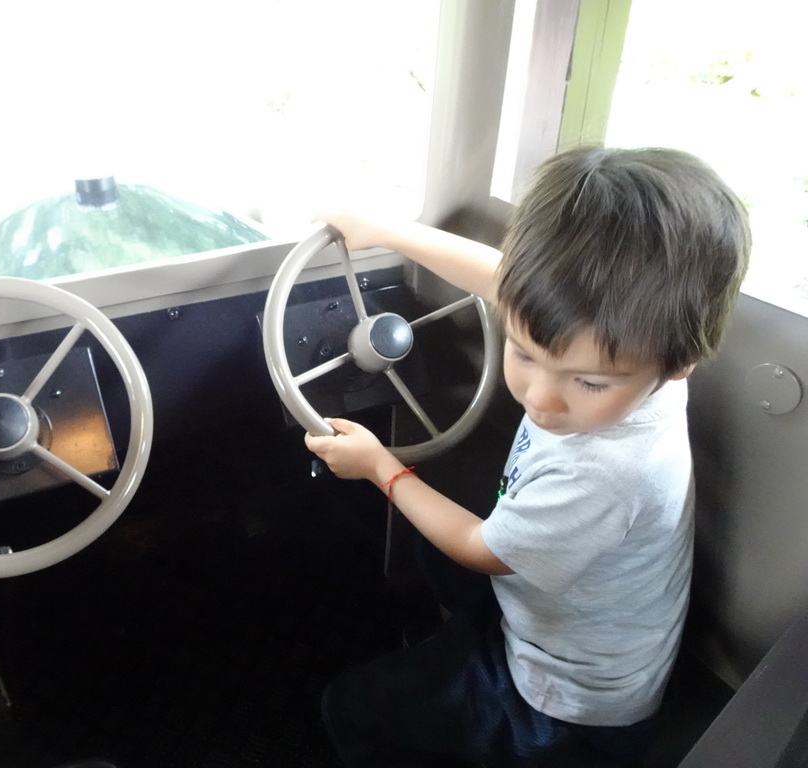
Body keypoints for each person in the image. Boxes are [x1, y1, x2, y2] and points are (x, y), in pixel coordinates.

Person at [304, 146, 751, 767]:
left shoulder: (607, 469)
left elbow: (484, 551)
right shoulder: (637, 344)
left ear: (679, 365)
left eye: (587, 383)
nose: (540, 398)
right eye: (522, 350)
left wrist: (381, 466)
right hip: (565, 615)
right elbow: (501, 278)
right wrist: (384, 231)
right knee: (423, 543)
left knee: (348, 708)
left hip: (561, 707)